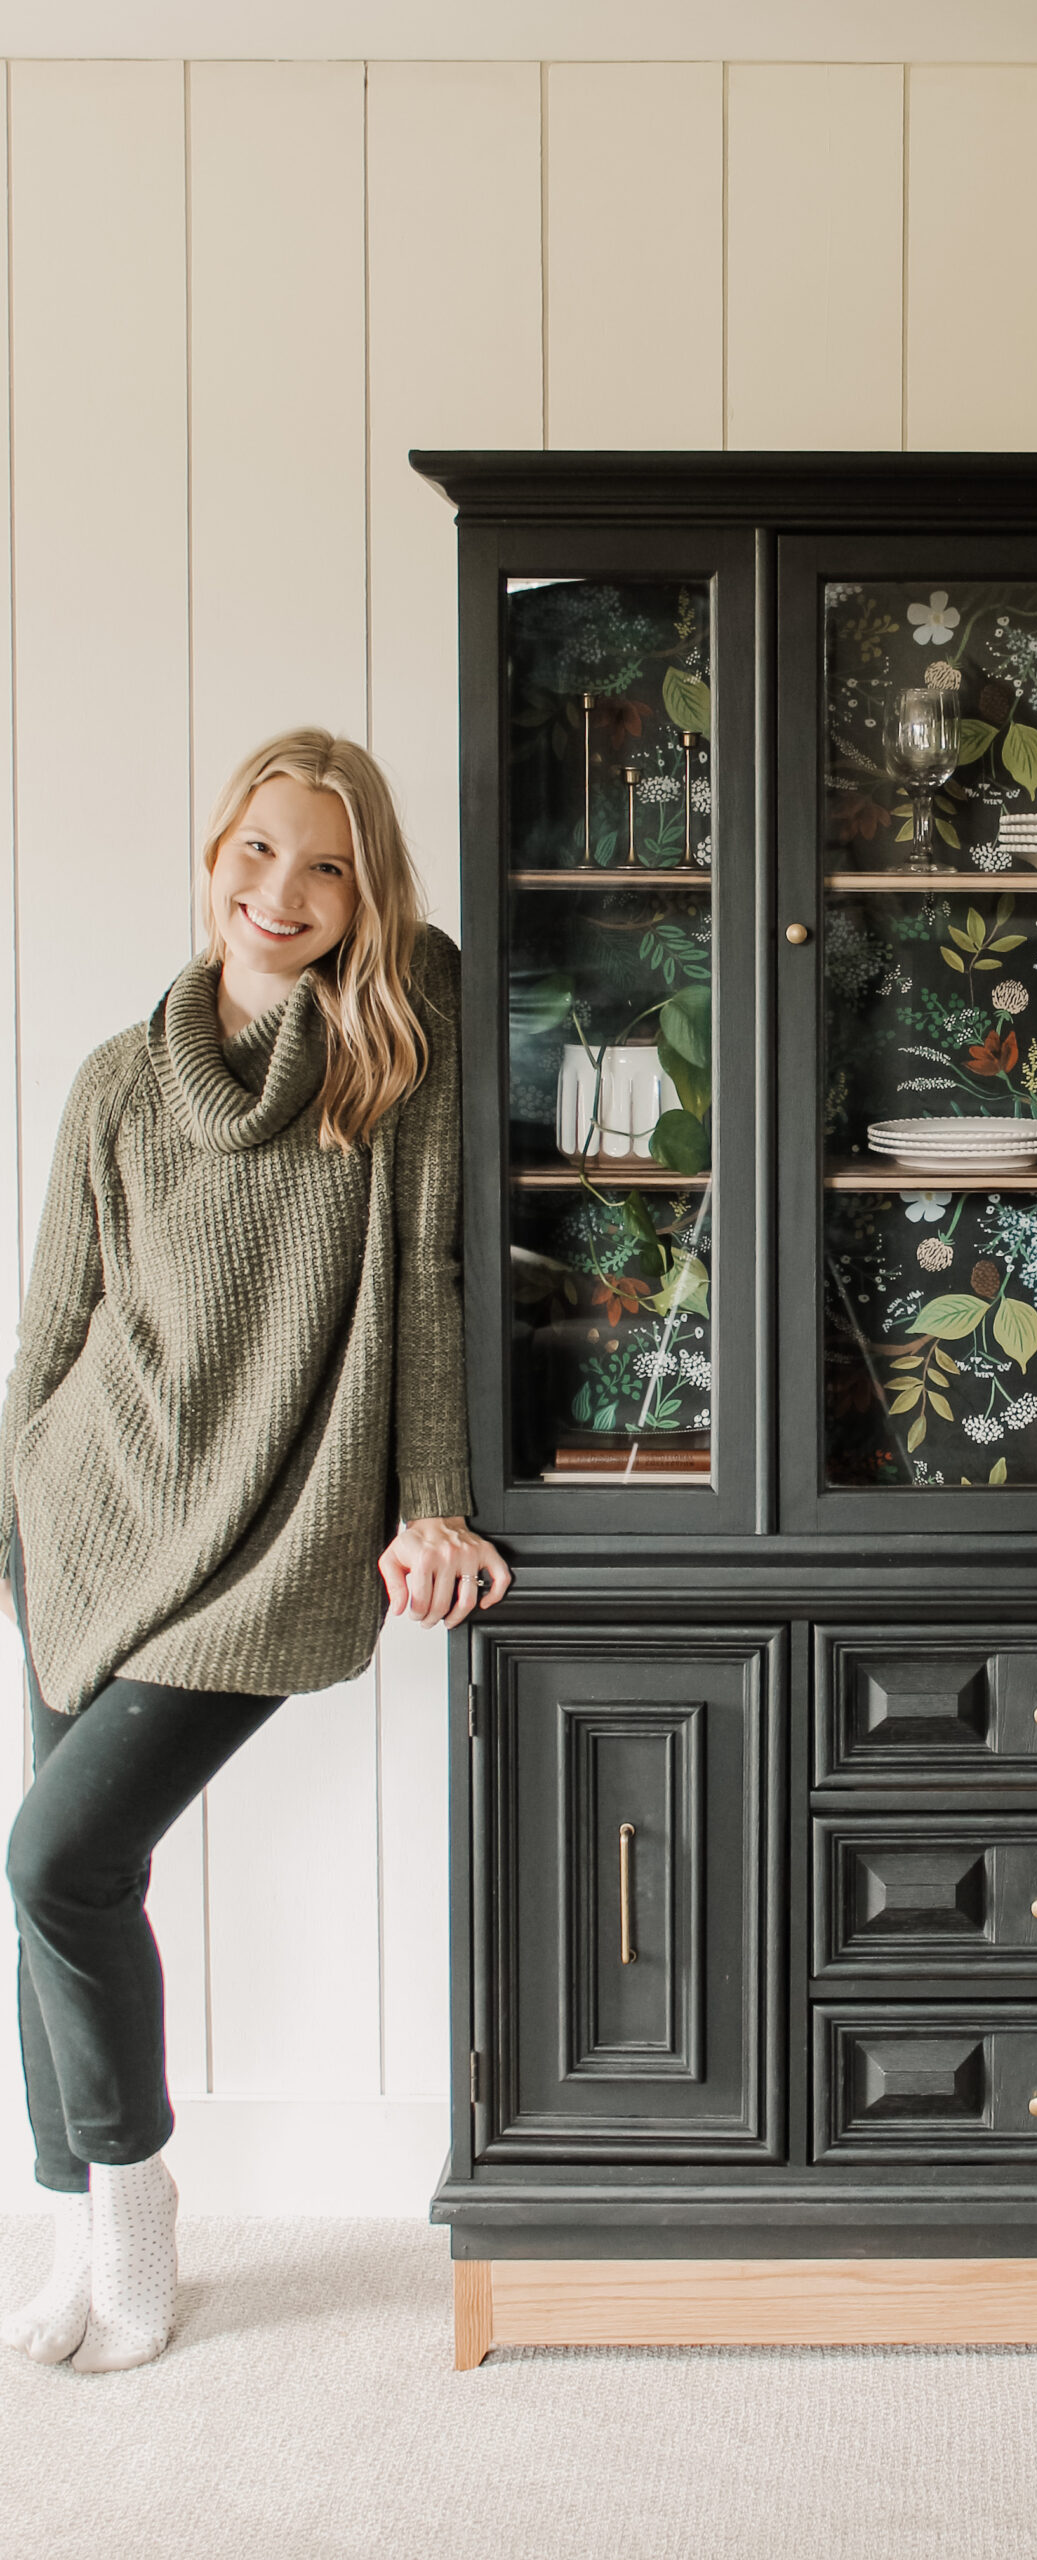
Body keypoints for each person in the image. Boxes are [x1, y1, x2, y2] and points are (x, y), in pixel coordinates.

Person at [0, 729, 508, 2371]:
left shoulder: (390, 1054)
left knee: (50, 1864)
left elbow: (429, 1289)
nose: (280, 891)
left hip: (271, 1531)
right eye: (260, 850)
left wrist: (430, 1502)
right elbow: (56, 1325)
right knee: (66, 1888)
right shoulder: (112, 1082)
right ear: (213, 849)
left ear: (367, 895)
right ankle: (71, 2234)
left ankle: (135, 2204)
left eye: (327, 864)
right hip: (88, 1520)